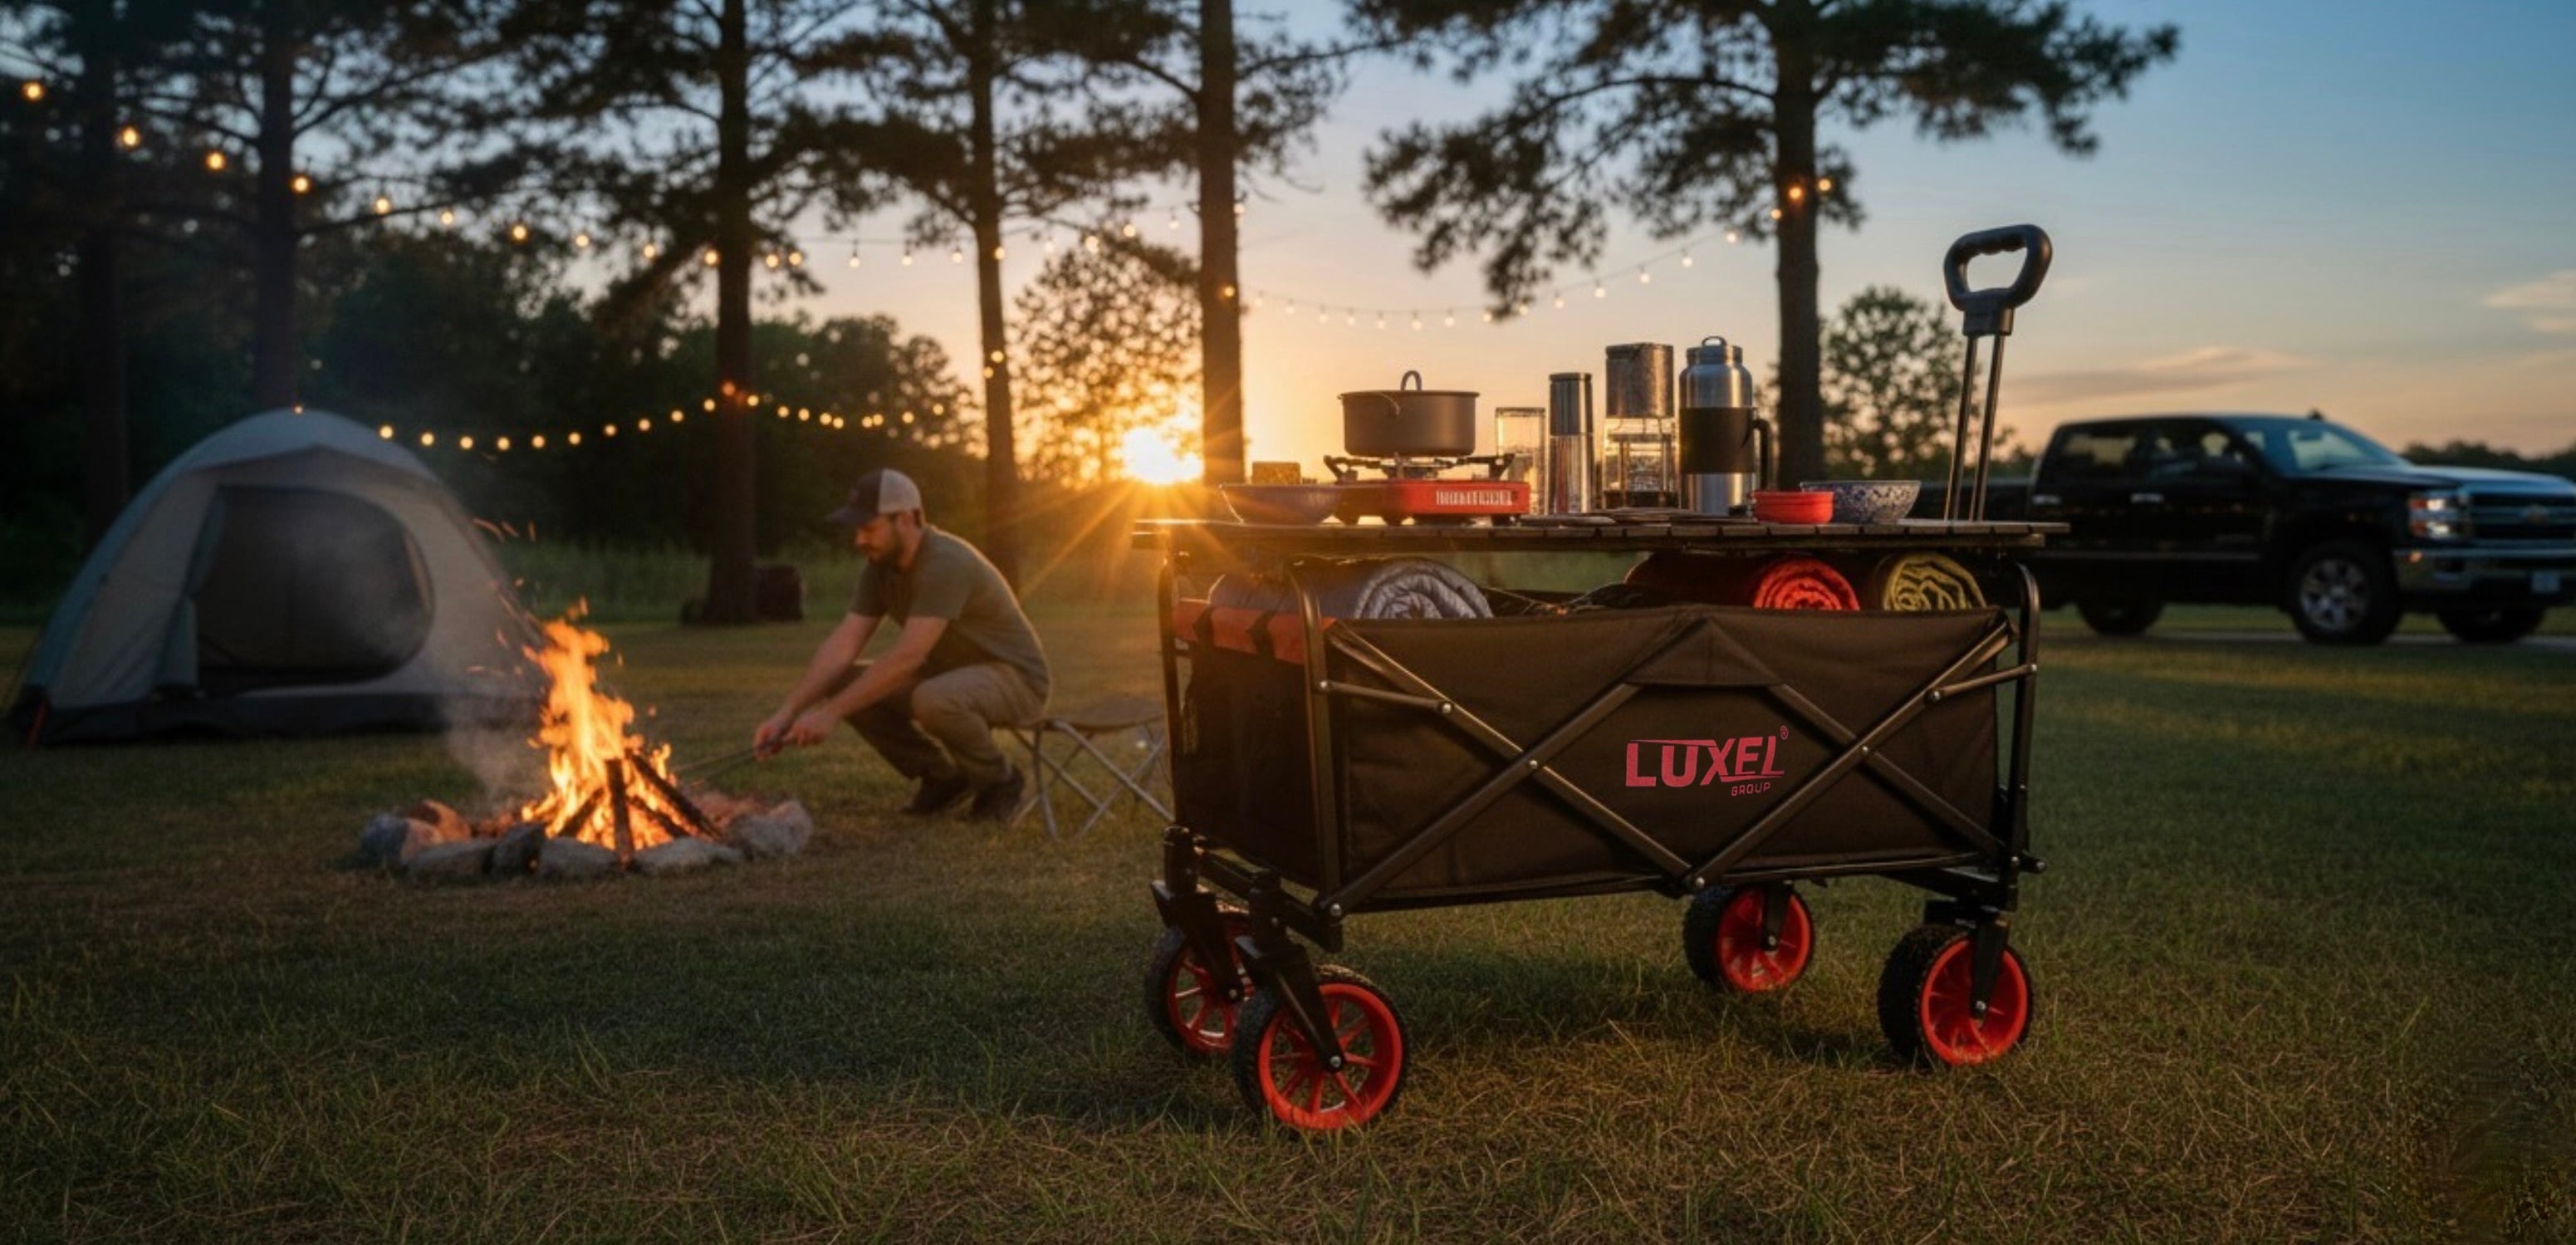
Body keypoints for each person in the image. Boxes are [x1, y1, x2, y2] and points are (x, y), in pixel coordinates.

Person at [753, 468, 1050, 821]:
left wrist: (830, 715)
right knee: (844, 681)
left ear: (907, 519)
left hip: (1015, 679)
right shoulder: (880, 568)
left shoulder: (944, 563)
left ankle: (999, 782)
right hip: (948, 674)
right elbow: (842, 645)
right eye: (857, 530)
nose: (859, 540)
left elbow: (908, 656)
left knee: (934, 699)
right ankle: (941, 777)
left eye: (869, 528)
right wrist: (786, 714)